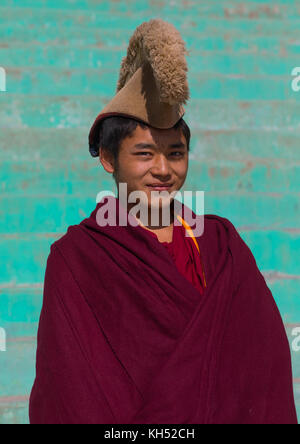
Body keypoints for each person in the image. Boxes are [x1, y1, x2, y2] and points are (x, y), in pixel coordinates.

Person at [29, 19, 297, 424]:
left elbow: (262, 361)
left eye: (175, 153)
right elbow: (69, 386)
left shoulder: (219, 244)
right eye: (143, 154)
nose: (162, 170)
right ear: (108, 159)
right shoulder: (76, 258)